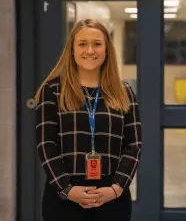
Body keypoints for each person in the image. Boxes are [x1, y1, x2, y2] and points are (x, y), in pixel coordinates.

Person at [34, 18, 142, 221]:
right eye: (82, 44)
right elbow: (46, 144)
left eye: (97, 44)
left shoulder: (124, 91)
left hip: (112, 196)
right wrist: (66, 188)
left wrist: (117, 188)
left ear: (107, 50)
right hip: (64, 196)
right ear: (72, 50)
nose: (90, 51)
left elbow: (133, 145)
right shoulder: (53, 91)